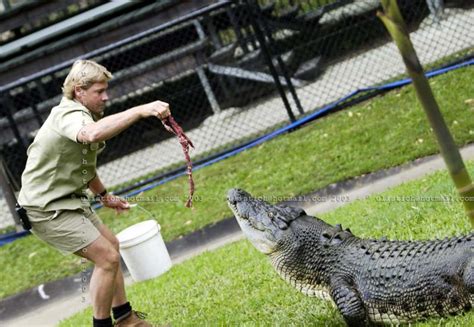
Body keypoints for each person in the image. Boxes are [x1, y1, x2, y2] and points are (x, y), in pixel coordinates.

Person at [18, 59, 170, 327]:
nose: (106, 96)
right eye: (99, 91)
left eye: (105, 90)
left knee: (111, 245)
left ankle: (126, 319)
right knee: (107, 258)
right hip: (46, 209)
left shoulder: (85, 114)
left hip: (71, 201)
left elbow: (85, 167)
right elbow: (89, 135)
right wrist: (140, 110)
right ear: (79, 91)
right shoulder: (68, 115)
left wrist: (104, 196)